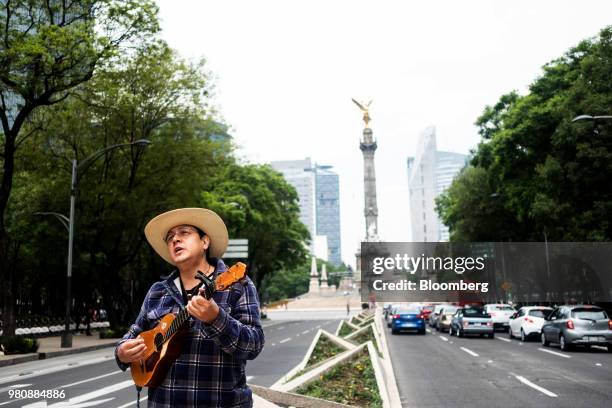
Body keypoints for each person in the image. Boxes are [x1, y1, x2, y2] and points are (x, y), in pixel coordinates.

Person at [114, 208, 264, 407]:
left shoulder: (236, 284)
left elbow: (253, 346)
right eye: (170, 237)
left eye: (184, 232)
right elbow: (133, 333)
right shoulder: (157, 291)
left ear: (205, 242)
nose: (175, 239)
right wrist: (122, 352)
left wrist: (216, 318)